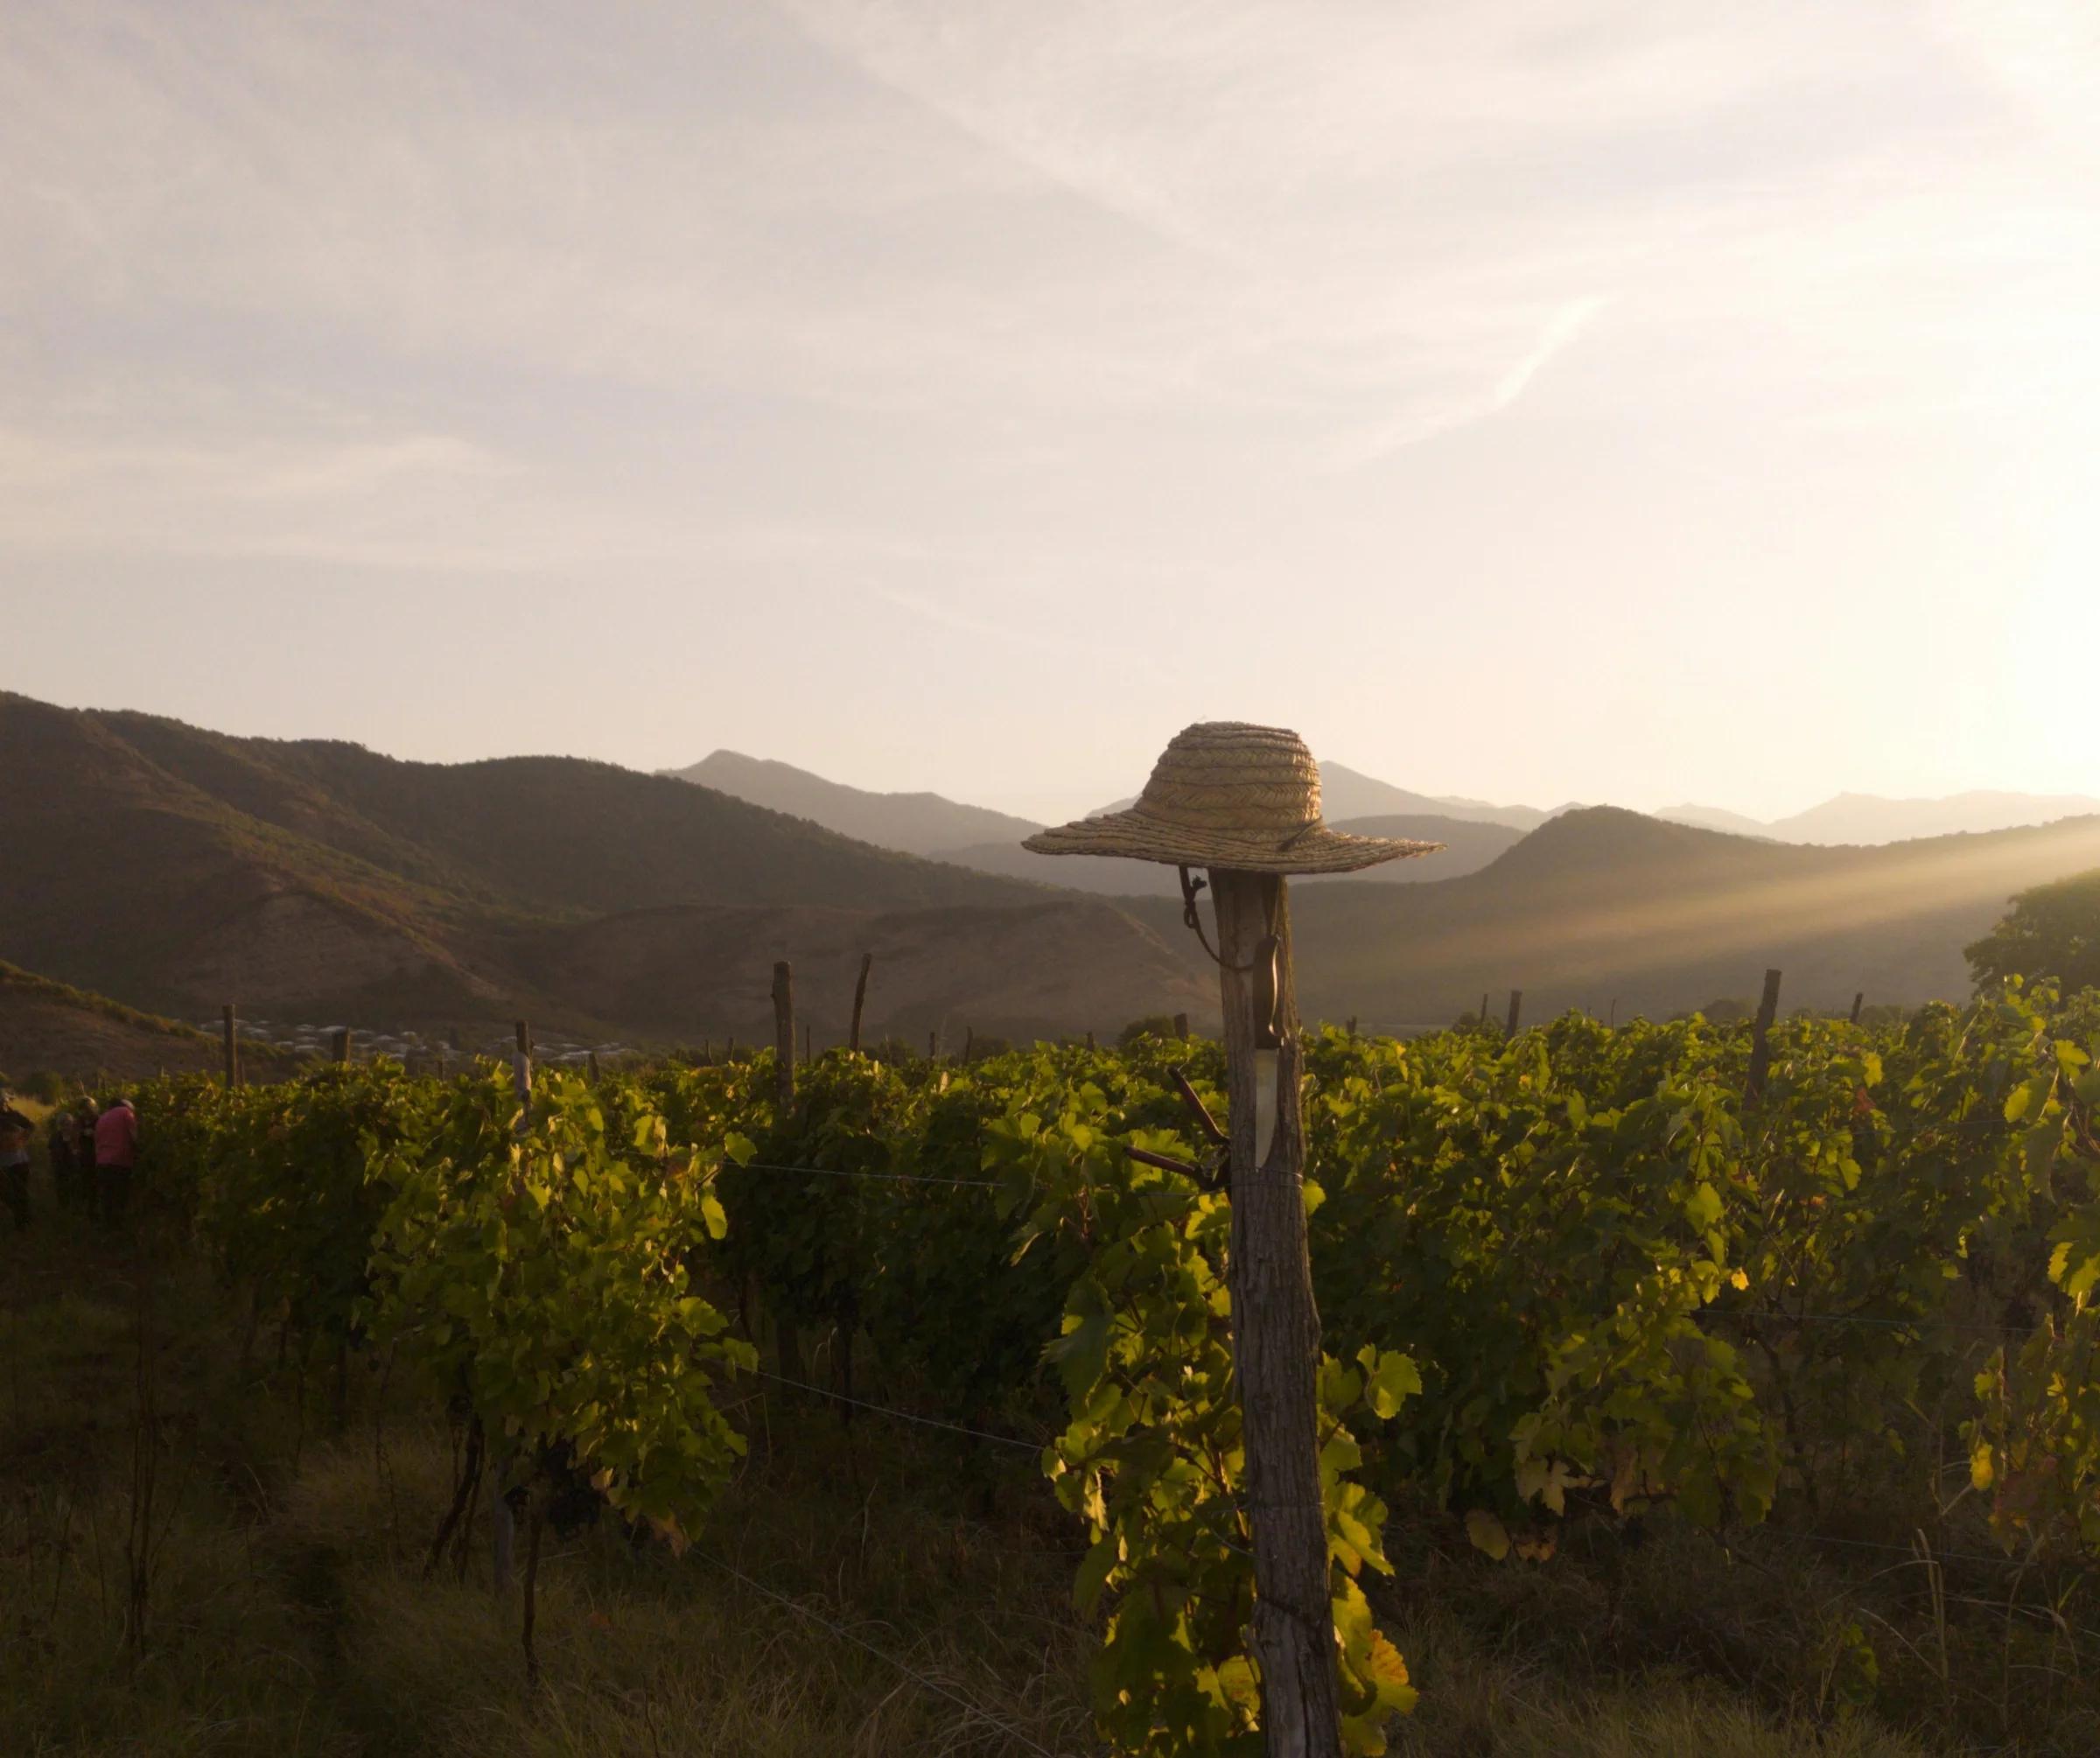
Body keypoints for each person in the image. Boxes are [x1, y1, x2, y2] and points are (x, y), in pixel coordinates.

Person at [93, 1095, 138, 1230]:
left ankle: (107, 1228)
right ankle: (119, 1230)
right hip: (120, 1161)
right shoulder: (126, 1113)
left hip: (102, 1162)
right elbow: (134, 1137)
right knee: (120, 1197)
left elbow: (97, 1142)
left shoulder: (102, 1118)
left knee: (107, 1197)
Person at [0, 1094, 32, 1231]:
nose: (2, 1103)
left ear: (7, 1102)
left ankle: (22, 1222)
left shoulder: (15, 1115)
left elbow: (31, 1126)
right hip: (3, 1160)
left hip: (19, 1159)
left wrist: (22, 1138)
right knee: (6, 1192)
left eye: (3, 1101)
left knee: (21, 1190)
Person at [46, 1104, 80, 1212]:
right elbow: (50, 1150)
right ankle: (63, 1209)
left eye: (68, 1124)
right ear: (60, 1125)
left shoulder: (76, 1136)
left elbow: (79, 1150)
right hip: (59, 1167)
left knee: (74, 1189)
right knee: (61, 1189)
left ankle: (75, 1209)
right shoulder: (55, 1136)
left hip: (73, 1167)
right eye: (63, 1124)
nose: (66, 1126)